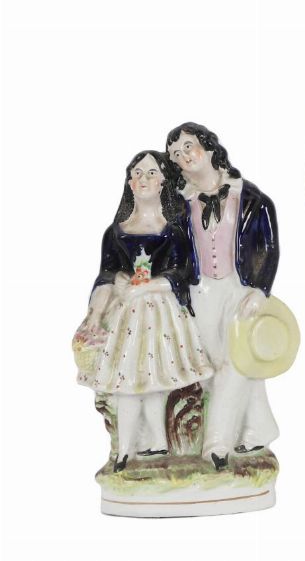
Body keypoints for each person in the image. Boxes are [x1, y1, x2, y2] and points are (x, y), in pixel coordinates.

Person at [75, 150, 213, 472]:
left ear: (163, 182)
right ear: (129, 183)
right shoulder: (115, 232)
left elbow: (181, 273)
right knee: (127, 379)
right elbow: (106, 273)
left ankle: (157, 442)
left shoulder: (173, 232)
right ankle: (125, 449)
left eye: (151, 173)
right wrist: (106, 298)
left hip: (160, 313)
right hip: (126, 315)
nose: (143, 179)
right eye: (137, 173)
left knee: (155, 377)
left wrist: (148, 286)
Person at [166, 122, 279, 468]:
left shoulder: (251, 198)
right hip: (201, 291)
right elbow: (172, 253)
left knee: (236, 360)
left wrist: (260, 290)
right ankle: (259, 429)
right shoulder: (180, 205)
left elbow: (268, 247)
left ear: (209, 146)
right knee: (212, 368)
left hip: (237, 288)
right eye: (176, 154)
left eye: (188, 147)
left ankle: (217, 444)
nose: (184, 156)